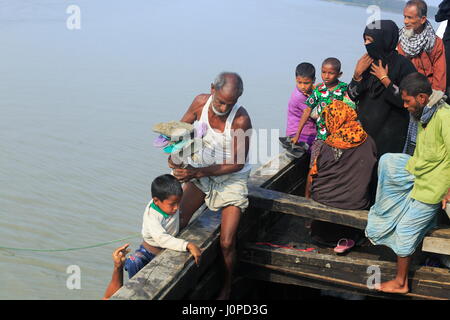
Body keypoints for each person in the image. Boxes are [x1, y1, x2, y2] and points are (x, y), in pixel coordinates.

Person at [169, 72, 252, 300]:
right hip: (203, 168)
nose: (223, 108)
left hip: (230, 178)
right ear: (212, 89)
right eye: (220, 101)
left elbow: (237, 163)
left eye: (230, 103)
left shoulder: (241, 119)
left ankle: (226, 287)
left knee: (226, 242)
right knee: (179, 221)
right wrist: (174, 158)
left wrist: (197, 171)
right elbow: (179, 132)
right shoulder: (200, 102)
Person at [365, 72, 450, 294]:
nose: (404, 106)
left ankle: (401, 282)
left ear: (422, 98)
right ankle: (390, 213)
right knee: (388, 161)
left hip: (434, 183)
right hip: (420, 169)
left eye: (407, 101)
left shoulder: (444, 116)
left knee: (405, 231)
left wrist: (448, 190)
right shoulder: (424, 114)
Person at [309, 100, 377, 253]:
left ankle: (325, 236)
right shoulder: (369, 142)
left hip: (322, 199)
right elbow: (372, 178)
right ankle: (354, 237)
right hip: (356, 203)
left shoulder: (324, 144)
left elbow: (314, 176)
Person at [348, 20, 417, 158]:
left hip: (389, 136)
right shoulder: (366, 62)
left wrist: (385, 80)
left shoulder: (404, 66)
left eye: (370, 40)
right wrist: (356, 76)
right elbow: (352, 95)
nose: (366, 44)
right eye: (365, 39)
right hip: (363, 134)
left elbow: (408, 101)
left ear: (383, 39)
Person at [293, 57, 354, 197]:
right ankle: (307, 199)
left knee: (336, 170)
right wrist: (297, 135)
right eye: (323, 72)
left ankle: (330, 198)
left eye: (331, 73)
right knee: (313, 169)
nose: (326, 76)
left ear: (339, 74)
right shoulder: (319, 89)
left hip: (339, 138)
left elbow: (351, 111)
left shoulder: (344, 89)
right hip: (321, 136)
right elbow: (307, 110)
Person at [123, 174, 202, 279]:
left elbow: (173, 177)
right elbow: (162, 239)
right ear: (156, 201)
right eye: (172, 204)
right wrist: (188, 245)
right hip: (148, 253)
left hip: (167, 251)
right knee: (134, 262)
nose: (176, 208)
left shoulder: (167, 202)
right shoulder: (152, 216)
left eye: (179, 203)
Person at [398, 0, 447, 155]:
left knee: (421, 137)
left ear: (423, 19)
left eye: (410, 18)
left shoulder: (434, 42)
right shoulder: (400, 39)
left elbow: (440, 74)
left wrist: (431, 100)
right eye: (405, 17)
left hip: (426, 97)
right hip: (405, 96)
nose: (406, 21)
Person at [288, 62, 317, 148]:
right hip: (300, 133)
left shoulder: (311, 91)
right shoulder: (299, 96)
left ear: (313, 80)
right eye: (299, 82)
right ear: (296, 79)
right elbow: (314, 115)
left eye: (306, 83)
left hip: (308, 130)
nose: (302, 86)